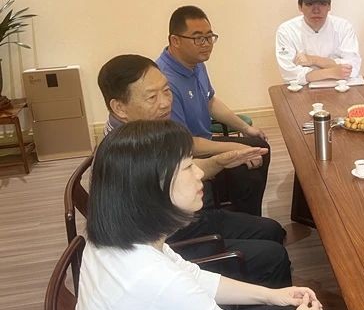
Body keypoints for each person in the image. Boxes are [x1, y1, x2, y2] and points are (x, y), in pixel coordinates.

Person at [76, 120, 349, 310]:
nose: (199, 173)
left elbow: (192, 276)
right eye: (188, 166)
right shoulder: (152, 278)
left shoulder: (115, 239)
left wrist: (272, 295)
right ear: (153, 188)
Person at [98, 54, 290, 288]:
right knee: (274, 256)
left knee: (272, 230)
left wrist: (220, 161)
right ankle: (268, 304)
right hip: (173, 241)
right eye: (152, 97)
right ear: (119, 107)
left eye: (167, 91)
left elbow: (182, 173)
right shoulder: (125, 154)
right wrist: (218, 162)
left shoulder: (145, 131)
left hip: (187, 219)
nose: (165, 103)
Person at [157, 6, 270, 217]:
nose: (206, 44)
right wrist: (235, 147)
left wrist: (245, 128)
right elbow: (184, 143)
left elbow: (210, 102)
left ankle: (250, 217)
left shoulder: (196, 63)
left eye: (209, 37)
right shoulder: (165, 82)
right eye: (198, 38)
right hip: (185, 154)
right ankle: (243, 221)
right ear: (175, 40)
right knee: (248, 169)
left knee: (260, 146)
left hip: (204, 141)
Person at [275, 0, 362, 84]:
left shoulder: (343, 27)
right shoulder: (286, 31)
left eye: (322, 3)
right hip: (302, 90)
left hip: (340, 88)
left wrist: (314, 60)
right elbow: (288, 73)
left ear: (329, 6)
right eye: (310, 4)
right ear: (300, 6)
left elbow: (353, 67)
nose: (316, 10)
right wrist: (331, 72)